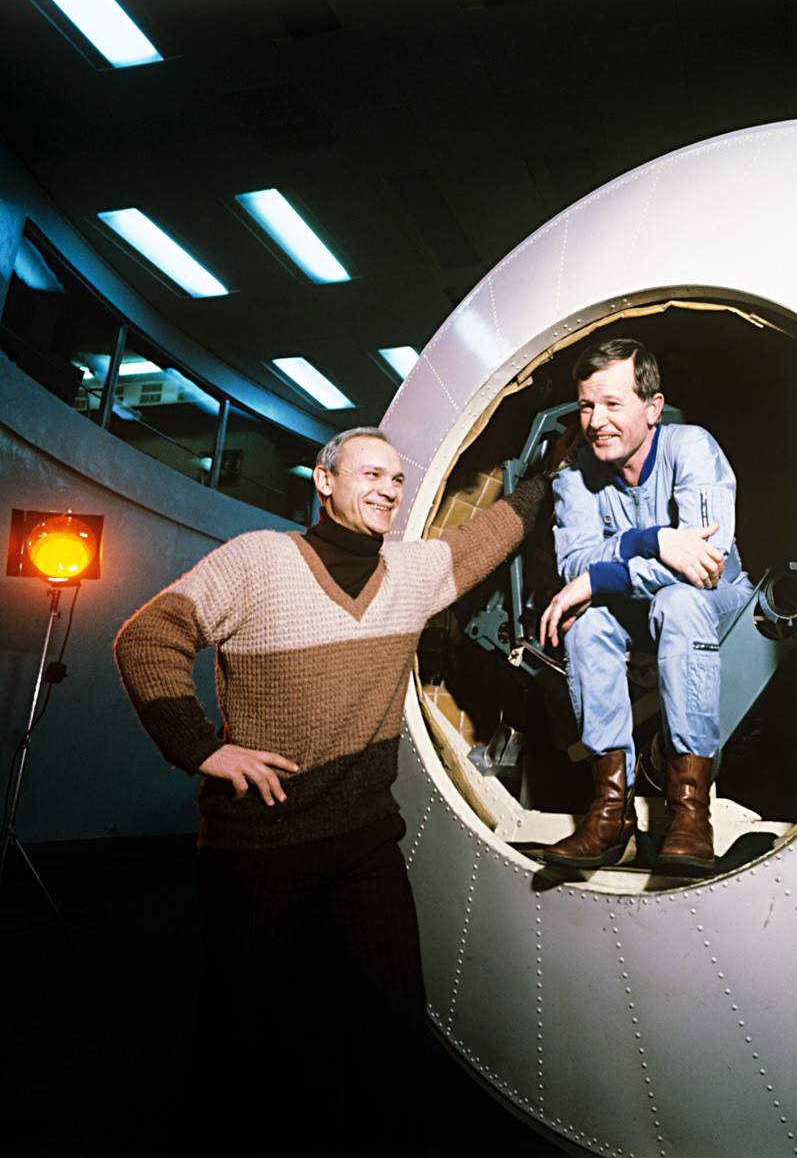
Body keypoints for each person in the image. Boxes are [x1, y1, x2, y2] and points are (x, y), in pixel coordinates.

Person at [114, 427, 547, 1156]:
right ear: (323, 480)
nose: (387, 489)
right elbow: (145, 638)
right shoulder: (257, 560)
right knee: (240, 1043)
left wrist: (553, 472)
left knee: (391, 1035)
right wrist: (203, 749)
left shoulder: (410, 575)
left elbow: (484, 538)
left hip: (365, 845)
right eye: (370, 473)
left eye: (397, 480)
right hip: (259, 849)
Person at [539, 338, 753, 876]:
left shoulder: (691, 448)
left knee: (678, 600)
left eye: (613, 404)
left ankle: (689, 812)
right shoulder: (573, 475)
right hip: (635, 614)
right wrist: (652, 540)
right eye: (587, 405)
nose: (596, 421)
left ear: (652, 408)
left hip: (714, 598)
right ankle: (611, 813)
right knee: (584, 622)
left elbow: (704, 563)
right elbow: (574, 568)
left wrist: (604, 575)